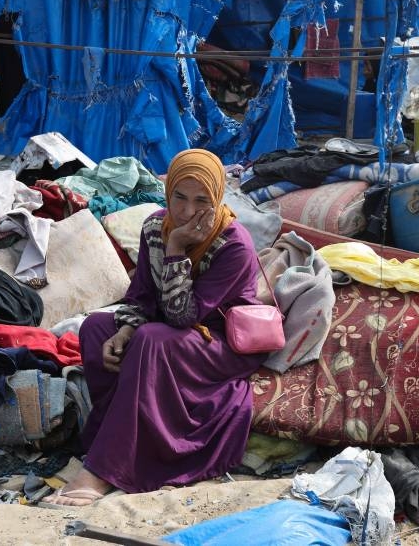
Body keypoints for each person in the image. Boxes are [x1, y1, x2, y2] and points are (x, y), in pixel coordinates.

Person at [47, 148, 266, 506]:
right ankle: (112, 431)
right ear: (168, 193)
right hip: (170, 334)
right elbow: (142, 297)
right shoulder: (154, 227)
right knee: (96, 328)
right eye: (179, 197)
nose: (187, 211)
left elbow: (185, 316)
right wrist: (124, 331)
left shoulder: (234, 243)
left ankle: (107, 469)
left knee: (152, 338)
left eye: (201, 200)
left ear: (217, 199)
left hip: (220, 345)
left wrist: (177, 247)